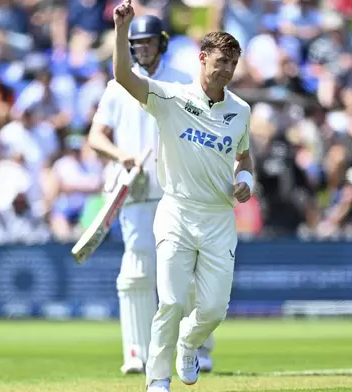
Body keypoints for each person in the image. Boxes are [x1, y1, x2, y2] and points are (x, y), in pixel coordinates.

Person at [111, 1, 253, 391]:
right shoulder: (170, 97)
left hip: (219, 218)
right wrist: (122, 30)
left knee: (212, 310)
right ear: (203, 59)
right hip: (175, 211)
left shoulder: (240, 110)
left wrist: (247, 182)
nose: (225, 70)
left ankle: (189, 344)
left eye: (232, 64)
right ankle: (158, 379)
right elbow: (124, 76)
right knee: (171, 301)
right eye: (220, 61)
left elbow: (245, 157)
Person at [87, 14, 215, 375]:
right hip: (136, 187)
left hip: (177, 190)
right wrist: (119, 156)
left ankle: (195, 349)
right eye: (137, 44)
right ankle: (136, 353)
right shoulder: (118, 86)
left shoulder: (183, 82)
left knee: (186, 273)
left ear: (161, 42)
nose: (142, 49)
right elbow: (95, 138)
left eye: (148, 42)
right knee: (137, 271)